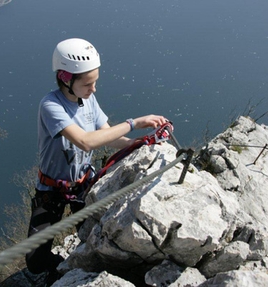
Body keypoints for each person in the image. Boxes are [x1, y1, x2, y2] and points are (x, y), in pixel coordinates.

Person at [25, 38, 168, 284]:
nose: (94, 89)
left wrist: (141, 142)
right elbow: (86, 141)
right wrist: (135, 123)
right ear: (66, 79)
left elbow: (108, 136)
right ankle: (60, 267)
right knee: (35, 261)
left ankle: (82, 271)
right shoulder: (50, 106)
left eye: (95, 82)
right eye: (88, 84)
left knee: (98, 239)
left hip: (84, 184)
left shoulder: (88, 100)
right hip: (52, 190)